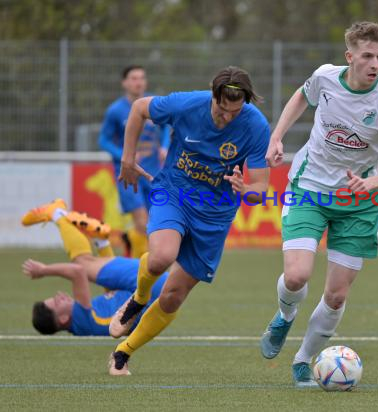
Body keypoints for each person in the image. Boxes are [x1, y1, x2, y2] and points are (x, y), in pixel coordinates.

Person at [261, 21, 378, 386]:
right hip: (309, 188)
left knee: (336, 294)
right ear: (350, 56)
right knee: (296, 276)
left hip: (358, 203)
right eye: (367, 56)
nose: (375, 63)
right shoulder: (326, 78)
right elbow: (301, 96)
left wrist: (371, 183)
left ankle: (303, 359)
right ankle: (284, 316)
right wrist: (276, 137)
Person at [107, 66, 271, 376]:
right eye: (222, 110)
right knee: (161, 258)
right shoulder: (187, 104)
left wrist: (246, 189)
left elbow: (261, 189)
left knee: (173, 296)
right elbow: (139, 108)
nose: (227, 118)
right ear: (213, 97)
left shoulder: (257, 126)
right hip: (174, 193)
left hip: (215, 214)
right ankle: (138, 298)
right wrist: (128, 159)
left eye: (235, 113)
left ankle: (124, 351)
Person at [20, 199, 167, 336]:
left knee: (95, 269)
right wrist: (43, 270)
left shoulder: (87, 324)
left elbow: (113, 292)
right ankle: (57, 214)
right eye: (57, 302)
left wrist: (103, 247)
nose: (59, 295)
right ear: (64, 319)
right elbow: (77, 271)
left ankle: (100, 239)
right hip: (147, 288)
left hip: (154, 292)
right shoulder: (80, 318)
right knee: (83, 263)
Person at [99, 65, 171, 258]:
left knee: (156, 223)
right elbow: (103, 140)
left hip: (153, 173)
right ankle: (146, 268)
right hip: (128, 175)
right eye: (133, 78)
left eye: (141, 78)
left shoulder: (153, 104)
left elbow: (165, 127)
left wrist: (164, 145)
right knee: (141, 221)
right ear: (124, 83)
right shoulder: (115, 111)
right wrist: (124, 154)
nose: (138, 82)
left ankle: (132, 244)